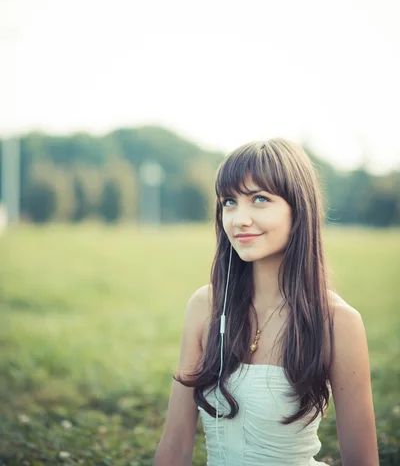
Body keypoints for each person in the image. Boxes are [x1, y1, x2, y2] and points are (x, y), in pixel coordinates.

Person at [153, 138, 379, 466]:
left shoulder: (338, 322)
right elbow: (174, 447)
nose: (238, 219)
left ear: (298, 208)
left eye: (259, 198)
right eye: (229, 201)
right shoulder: (206, 306)